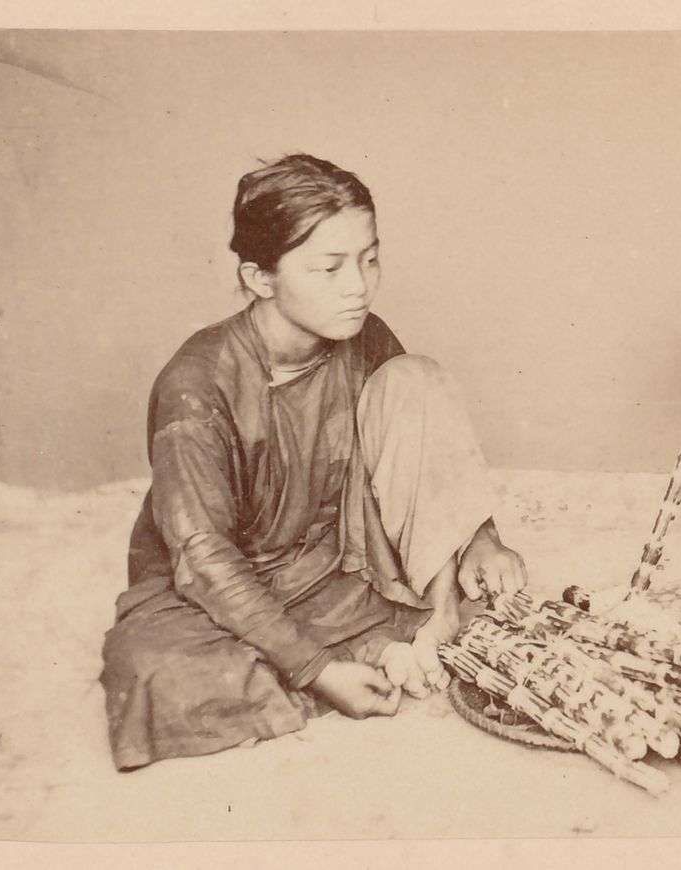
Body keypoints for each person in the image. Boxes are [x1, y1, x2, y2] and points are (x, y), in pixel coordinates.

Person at [100, 154, 528, 771]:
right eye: (329, 267)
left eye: (369, 258)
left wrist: (480, 536)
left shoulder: (365, 336)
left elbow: (424, 443)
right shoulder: (196, 387)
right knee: (151, 674)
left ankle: (427, 622)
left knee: (415, 377)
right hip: (223, 582)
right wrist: (320, 670)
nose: (359, 284)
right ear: (258, 277)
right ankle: (355, 652)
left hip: (340, 561)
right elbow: (201, 557)